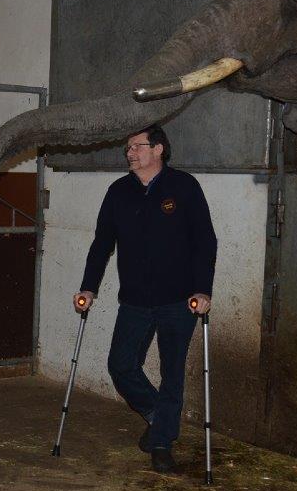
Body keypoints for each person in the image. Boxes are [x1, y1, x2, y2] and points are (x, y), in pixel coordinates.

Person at [73, 124, 216, 473]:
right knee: (121, 365)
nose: (130, 153)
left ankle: (162, 443)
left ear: (159, 149)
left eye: (137, 146)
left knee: (172, 373)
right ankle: (158, 417)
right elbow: (101, 245)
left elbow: (205, 242)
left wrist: (203, 289)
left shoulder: (184, 187)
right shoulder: (118, 192)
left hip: (178, 301)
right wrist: (88, 287)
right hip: (134, 300)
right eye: (128, 148)